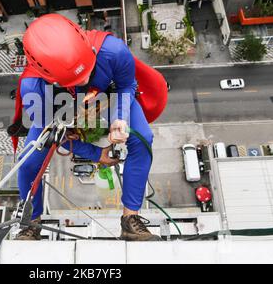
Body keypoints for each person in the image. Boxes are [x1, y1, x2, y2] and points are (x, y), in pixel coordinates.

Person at [13, 14, 164, 241]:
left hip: (107, 97)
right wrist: (96, 153)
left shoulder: (113, 51)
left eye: (88, 72)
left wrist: (120, 118)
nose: (85, 80)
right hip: (60, 110)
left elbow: (126, 85)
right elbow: (55, 134)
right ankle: (31, 223)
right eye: (76, 80)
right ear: (49, 78)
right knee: (27, 163)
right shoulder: (34, 88)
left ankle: (130, 219)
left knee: (143, 138)